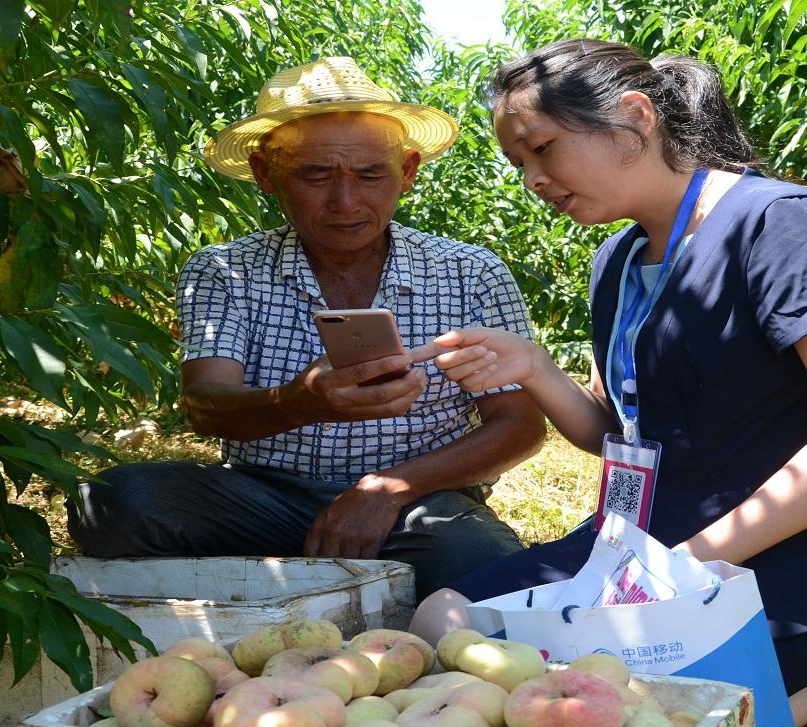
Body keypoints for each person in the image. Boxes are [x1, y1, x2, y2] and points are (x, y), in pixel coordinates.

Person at [408, 39, 807, 727]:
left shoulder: (786, 226)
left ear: (634, 116)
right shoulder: (619, 259)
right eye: (520, 166)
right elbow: (622, 433)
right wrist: (537, 371)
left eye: (542, 149)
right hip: (655, 542)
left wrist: (686, 568)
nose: (534, 180)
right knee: (437, 622)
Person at [67, 57, 546, 598]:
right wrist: (303, 400)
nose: (345, 203)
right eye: (315, 175)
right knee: (112, 501)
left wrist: (387, 491)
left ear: (407, 171)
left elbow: (518, 425)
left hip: (421, 503)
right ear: (265, 173)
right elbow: (205, 405)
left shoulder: (470, 273)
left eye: (370, 175)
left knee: (485, 567)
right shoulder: (227, 270)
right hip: (261, 499)